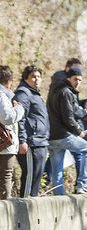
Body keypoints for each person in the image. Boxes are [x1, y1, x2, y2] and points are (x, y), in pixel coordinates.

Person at [47, 67, 87, 195]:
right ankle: (83, 184)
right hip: (63, 135)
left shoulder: (54, 90)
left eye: (80, 80)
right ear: (68, 78)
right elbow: (68, 117)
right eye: (75, 79)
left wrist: (84, 112)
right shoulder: (66, 92)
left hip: (51, 137)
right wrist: (79, 130)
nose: (77, 82)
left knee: (57, 173)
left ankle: (59, 200)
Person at [14, 66, 50, 198]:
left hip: (40, 141)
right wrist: (22, 141)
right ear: (25, 78)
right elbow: (19, 118)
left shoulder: (35, 93)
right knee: (30, 176)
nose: (37, 79)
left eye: (39, 77)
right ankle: (24, 205)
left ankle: (31, 204)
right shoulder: (23, 93)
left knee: (36, 177)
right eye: (33, 77)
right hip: (31, 143)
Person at [0, 66, 24, 200]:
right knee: (5, 176)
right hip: (4, 145)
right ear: (9, 81)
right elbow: (7, 117)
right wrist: (19, 109)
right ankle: (4, 211)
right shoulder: (2, 95)